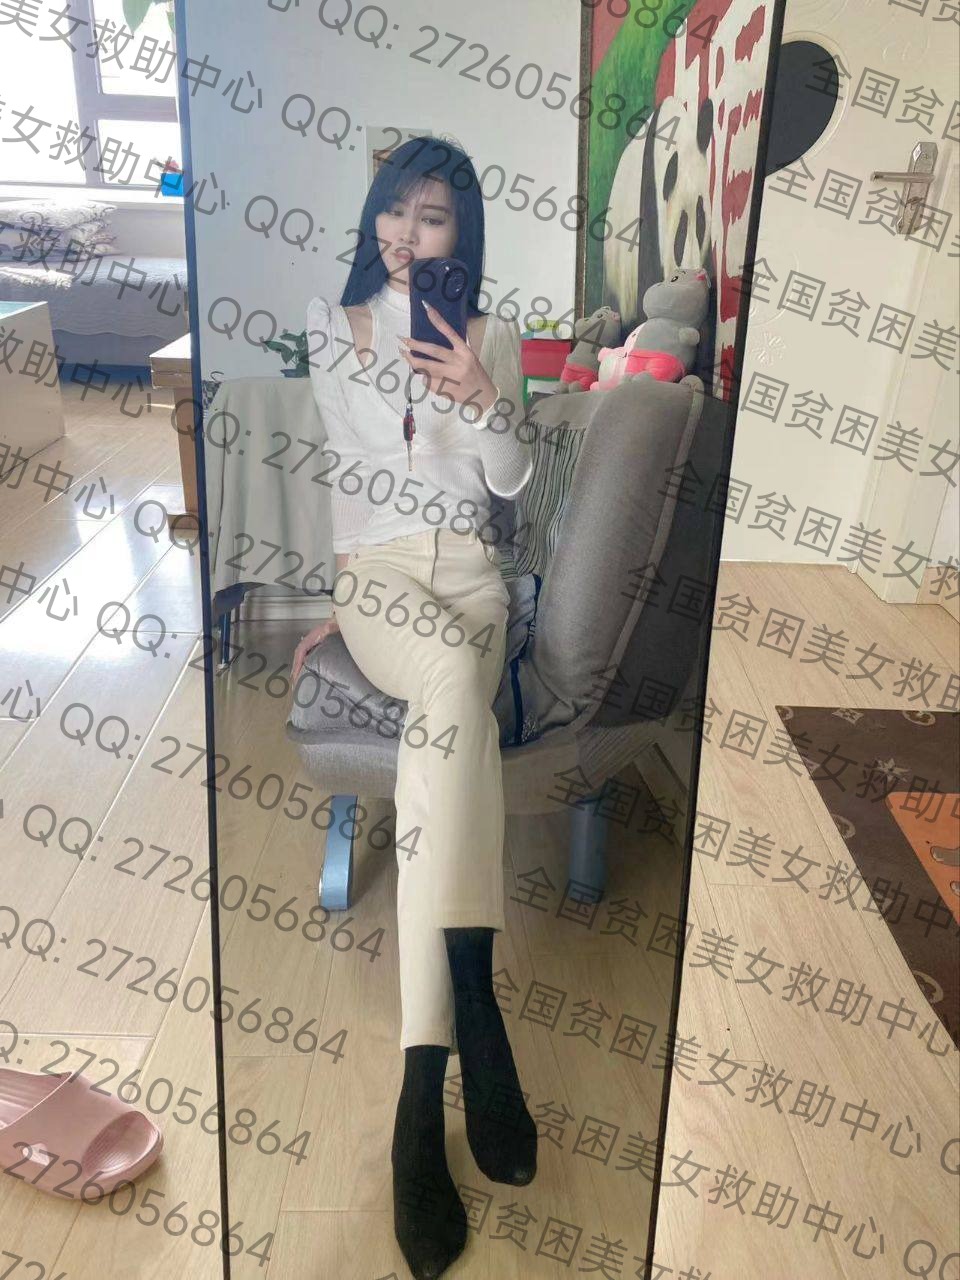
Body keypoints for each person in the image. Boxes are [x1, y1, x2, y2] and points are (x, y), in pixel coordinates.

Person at [294, 136, 537, 1280]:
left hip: (474, 582)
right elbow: (348, 478)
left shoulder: (493, 332)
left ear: (459, 232)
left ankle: (440, 1052)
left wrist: (483, 397)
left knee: (452, 711)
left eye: (432, 217)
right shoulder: (331, 323)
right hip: (383, 577)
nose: (406, 233)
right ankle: (450, 1045)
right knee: (447, 685)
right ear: (373, 217)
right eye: (395, 210)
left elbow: (509, 482)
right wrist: (337, 598)